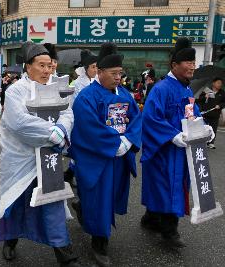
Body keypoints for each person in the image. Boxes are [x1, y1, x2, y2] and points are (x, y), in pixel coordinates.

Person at [0, 42, 82, 267]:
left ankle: (65, 253)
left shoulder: (55, 87)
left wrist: (61, 130)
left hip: (48, 158)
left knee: (52, 201)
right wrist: (52, 134)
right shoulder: (16, 91)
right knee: (15, 201)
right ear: (28, 67)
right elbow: (19, 124)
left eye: (49, 66)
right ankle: (10, 241)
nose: (47, 71)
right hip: (20, 160)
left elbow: (67, 112)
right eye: (41, 66)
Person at [70, 43, 142, 267]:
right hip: (98, 158)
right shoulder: (87, 97)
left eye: (120, 73)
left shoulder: (126, 95)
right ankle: (99, 244)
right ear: (99, 72)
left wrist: (128, 139)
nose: (118, 77)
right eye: (113, 73)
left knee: (109, 198)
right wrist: (114, 143)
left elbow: (137, 118)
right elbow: (87, 127)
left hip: (119, 158)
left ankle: (86, 211)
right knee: (99, 200)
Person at [140, 37, 215, 248]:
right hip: (164, 150)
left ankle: (151, 218)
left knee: (171, 187)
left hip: (180, 151)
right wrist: (172, 135)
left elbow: (192, 114)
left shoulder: (186, 89)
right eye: (188, 63)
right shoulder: (161, 89)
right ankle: (169, 232)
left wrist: (204, 128)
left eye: (194, 62)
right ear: (175, 65)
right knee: (167, 188)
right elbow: (151, 118)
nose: (193, 66)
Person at [63, 50, 98, 186]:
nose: (95, 69)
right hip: (79, 122)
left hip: (93, 122)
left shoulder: (96, 82)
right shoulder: (75, 84)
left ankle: (70, 174)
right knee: (80, 152)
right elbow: (71, 105)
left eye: (97, 66)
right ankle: (79, 179)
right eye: (93, 67)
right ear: (86, 68)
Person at [197, 77, 225, 149]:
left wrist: (220, 105)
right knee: (204, 128)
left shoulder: (222, 93)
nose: (220, 85)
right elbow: (199, 99)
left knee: (213, 129)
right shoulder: (207, 90)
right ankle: (203, 142)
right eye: (218, 83)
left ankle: (211, 143)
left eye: (221, 84)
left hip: (215, 114)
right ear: (213, 83)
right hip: (205, 113)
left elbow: (224, 102)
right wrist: (205, 96)